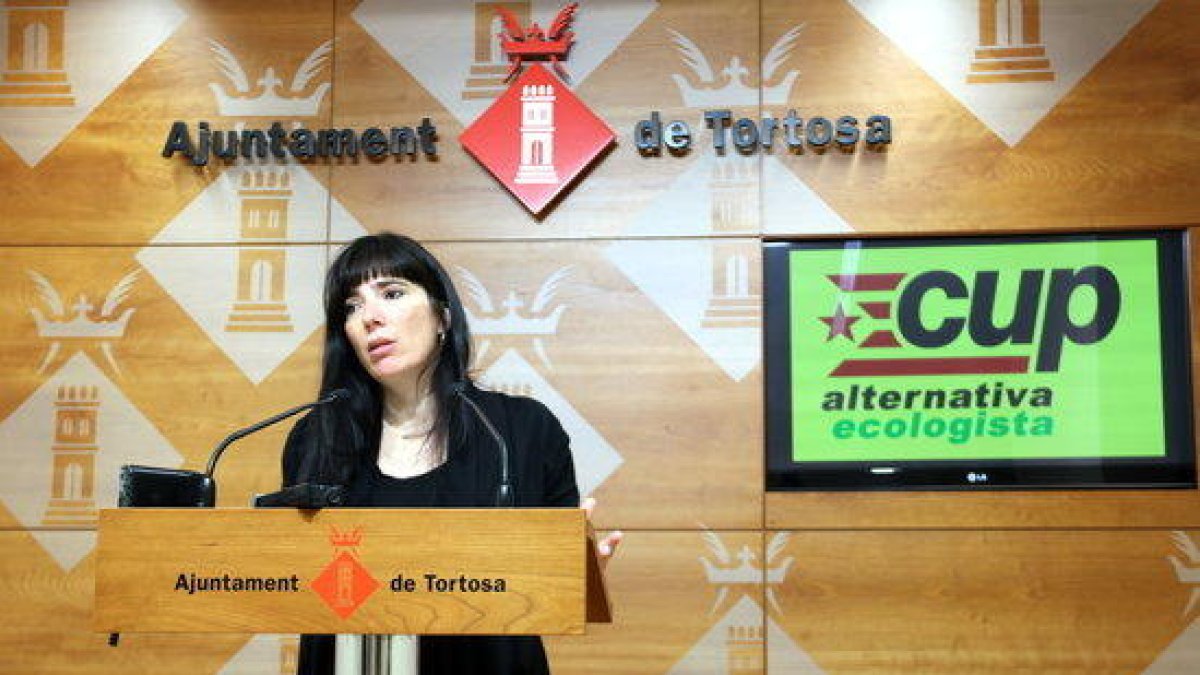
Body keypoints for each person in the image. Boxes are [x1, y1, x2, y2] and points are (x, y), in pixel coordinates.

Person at [281, 232, 619, 674]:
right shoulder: (316, 436)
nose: (370, 317)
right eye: (352, 306)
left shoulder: (520, 430)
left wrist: (578, 573)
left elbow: (551, 588)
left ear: (442, 317)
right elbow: (297, 576)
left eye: (392, 293)